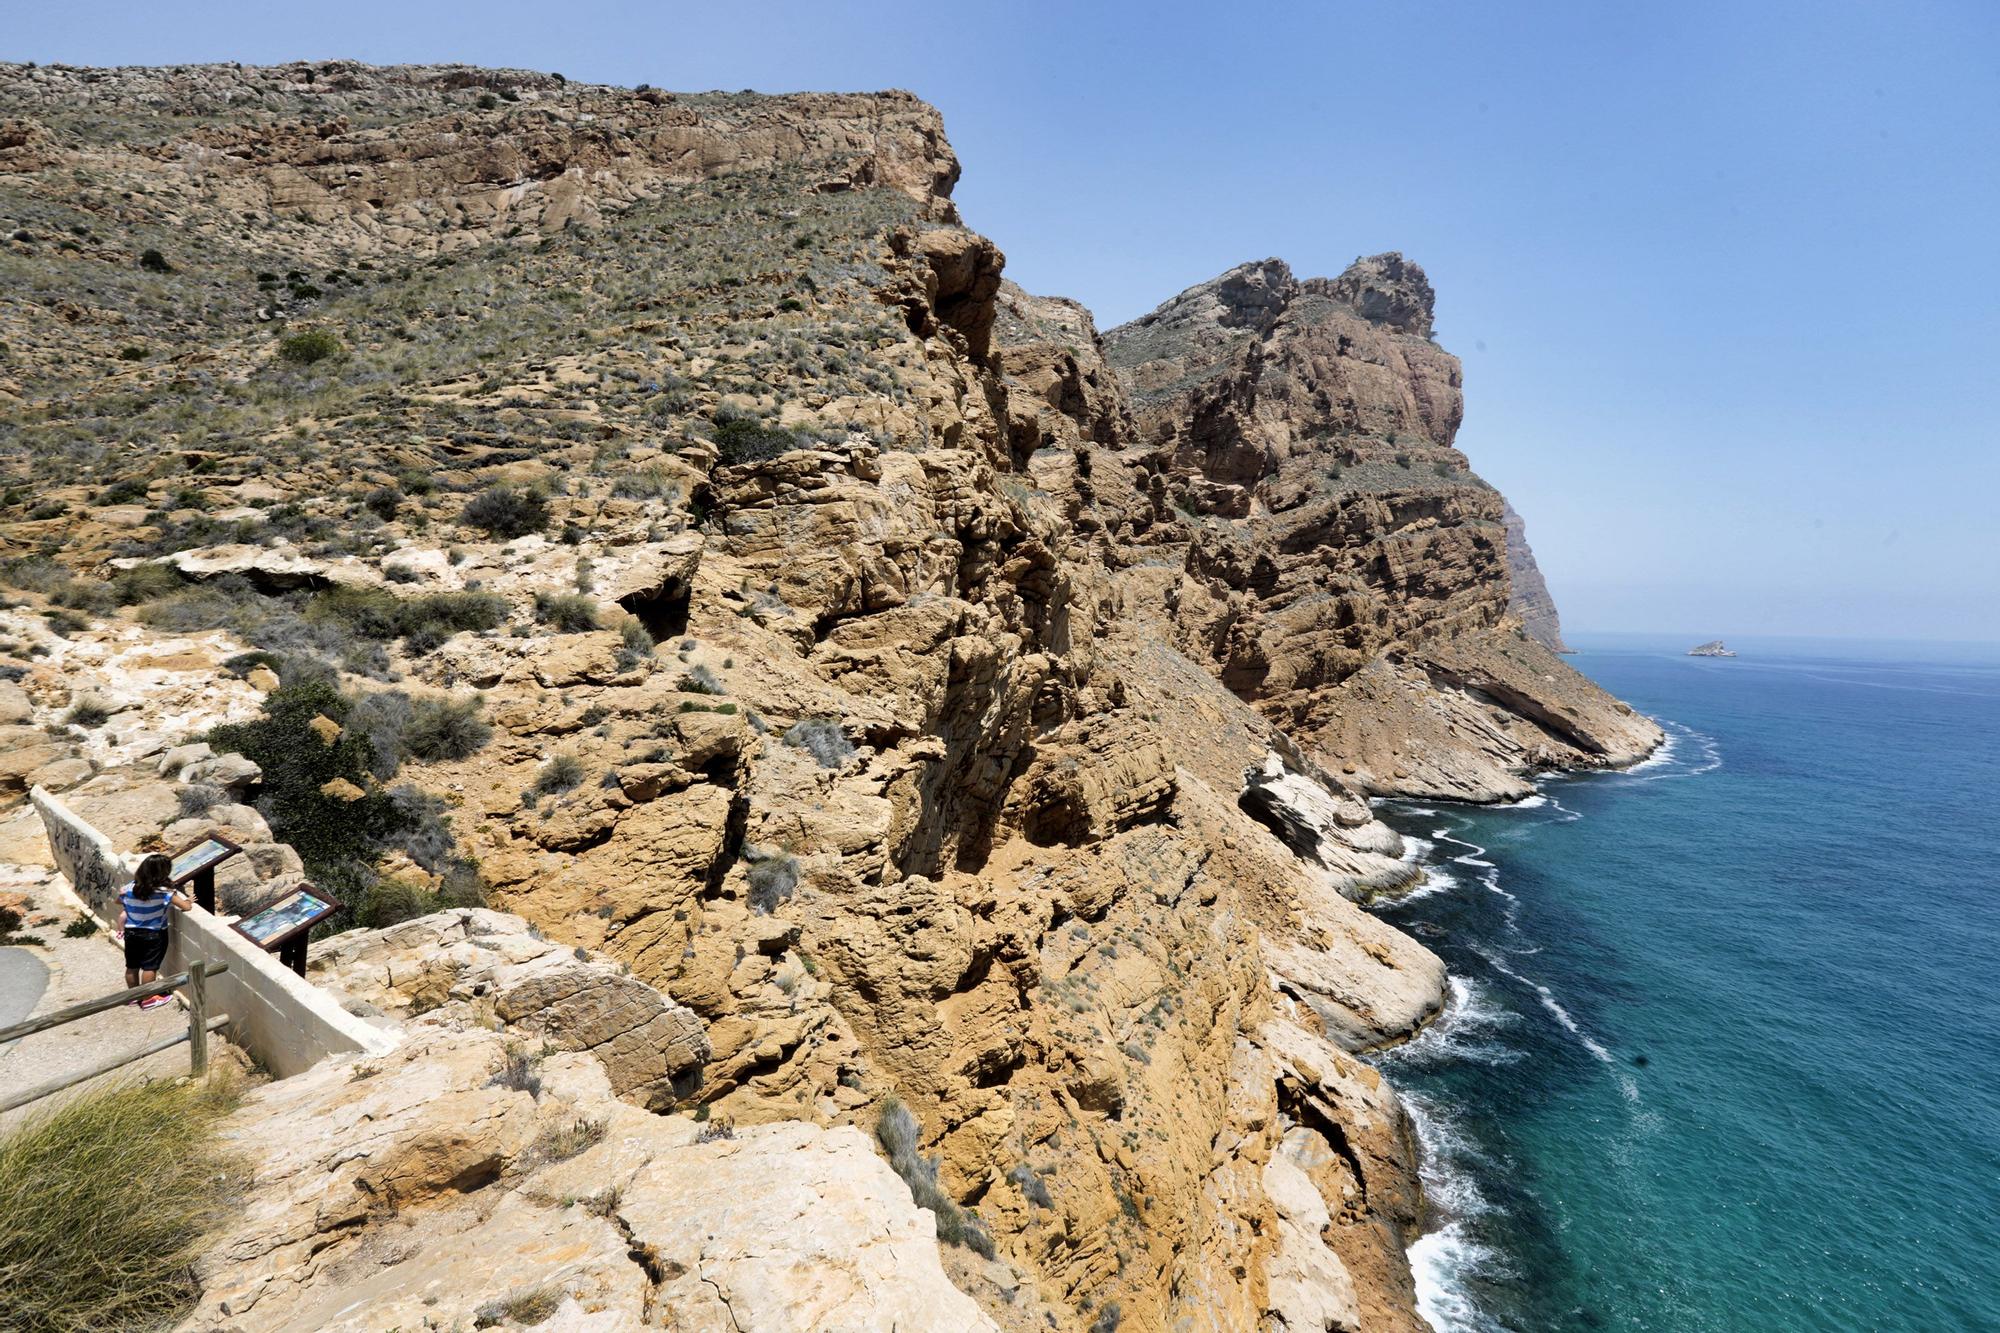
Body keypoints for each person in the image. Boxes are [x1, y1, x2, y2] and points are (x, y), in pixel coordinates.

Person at [120, 853, 189, 1011]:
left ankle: (133, 996)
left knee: (132, 966)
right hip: (154, 933)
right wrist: (188, 900)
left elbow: (119, 900)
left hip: (131, 932)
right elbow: (186, 907)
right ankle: (148, 999)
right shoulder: (164, 892)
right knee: (150, 967)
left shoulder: (130, 887)